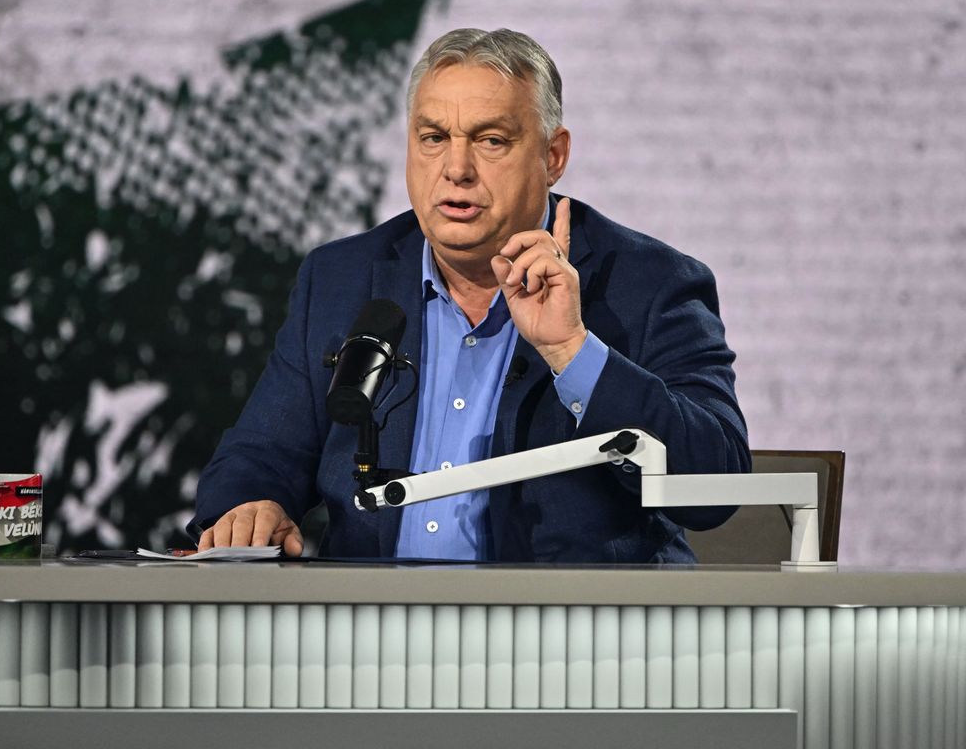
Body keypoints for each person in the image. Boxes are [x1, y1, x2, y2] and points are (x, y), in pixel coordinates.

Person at [189, 28, 749, 562]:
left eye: (491, 141)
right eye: (433, 138)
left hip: (572, 641)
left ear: (553, 156)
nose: (456, 169)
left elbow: (712, 488)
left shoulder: (649, 284)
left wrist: (572, 351)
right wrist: (251, 506)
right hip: (373, 638)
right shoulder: (342, 278)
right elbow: (260, 456)